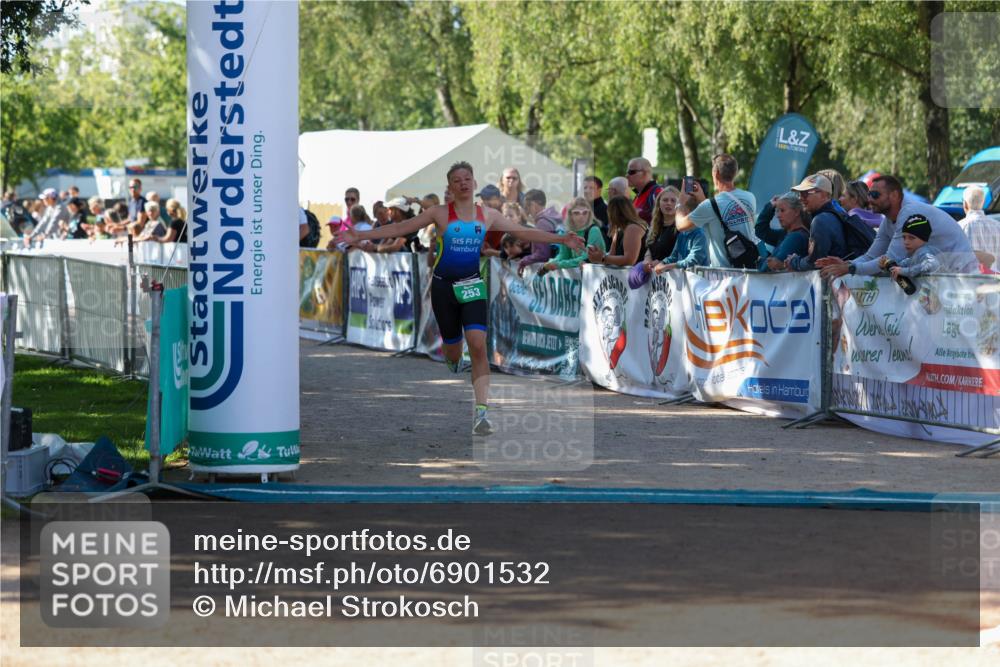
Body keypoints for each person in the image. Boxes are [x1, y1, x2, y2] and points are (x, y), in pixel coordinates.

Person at [336, 161, 583, 435]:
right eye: (457, 180)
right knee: (453, 351)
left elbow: (522, 232)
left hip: (472, 285)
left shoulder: (486, 214)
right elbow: (399, 228)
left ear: (474, 183)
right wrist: (359, 234)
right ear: (451, 187)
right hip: (444, 289)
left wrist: (562, 240)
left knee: (478, 345)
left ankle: (481, 413)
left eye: (468, 178)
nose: (464, 182)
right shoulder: (440, 214)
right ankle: (452, 356)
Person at [817, 174, 979, 277]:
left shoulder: (909, 213)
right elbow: (871, 256)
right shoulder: (889, 220)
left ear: (894, 195)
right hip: (945, 276)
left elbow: (890, 260)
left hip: (962, 278)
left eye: (875, 195)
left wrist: (850, 268)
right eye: (869, 195)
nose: (869, 200)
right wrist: (846, 265)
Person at [680, 153, 759, 268]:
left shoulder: (709, 206)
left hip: (723, 276)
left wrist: (680, 202)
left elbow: (681, 225)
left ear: (715, 173)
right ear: (735, 173)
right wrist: (702, 199)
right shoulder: (750, 197)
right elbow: (717, 214)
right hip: (748, 270)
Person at [786, 173, 848, 271]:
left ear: (824, 195)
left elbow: (815, 262)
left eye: (806, 193)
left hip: (833, 283)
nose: (800, 198)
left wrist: (794, 262)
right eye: (800, 194)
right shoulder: (836, 215)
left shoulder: (821, 220)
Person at [541, 197, 606, 273]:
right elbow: (563, 255)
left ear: (589, 214)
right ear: (570, 215)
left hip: (594, 276)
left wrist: (558, 265)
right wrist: (550, 263)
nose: (581, 216)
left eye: (585, 213)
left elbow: (587, 258)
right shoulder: (568, 232)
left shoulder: (594, 230)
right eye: (576, 213)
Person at [644, 197, 707, 274]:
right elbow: (674, 256)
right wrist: (662, 263)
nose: (676, 215)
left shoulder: (700, 234)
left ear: (688, 213)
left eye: (679, 211)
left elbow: (693, 261)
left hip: (700, 281)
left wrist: (667, 266)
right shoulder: (682, 234)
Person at [587, 195, 647, 267]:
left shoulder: (633, 228)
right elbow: (612, 255)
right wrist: (595, 255)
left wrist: (602, 258)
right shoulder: (618, 229)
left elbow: (629, 260)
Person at [757, 192, 810, 272]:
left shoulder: (796, 237)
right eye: (777, 211)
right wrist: (770, 206)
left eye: (782, 210)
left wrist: (762, 262)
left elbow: (769, 268)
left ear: (796, 212)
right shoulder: (785, 234)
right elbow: (760, 231)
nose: (778, 215)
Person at [517, 189, 564, 274]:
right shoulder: (553, 218)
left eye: (527, 207)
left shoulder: (542, 223)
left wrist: (524, 260)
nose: (527, 213)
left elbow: (542, 254)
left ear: (533, 205)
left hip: (553, 271)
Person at [884, 214, 940, 280]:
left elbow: (932, 264)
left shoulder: (925, 251)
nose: (906, 242)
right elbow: (902, 265)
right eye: (904, 237)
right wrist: (887, 265)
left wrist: (903, 271)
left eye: (911, 238)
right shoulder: (915, 255)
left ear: (924, 238)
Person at [957, 185, 1000, 272]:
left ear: (965, 204)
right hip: (995, 282)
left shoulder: (959, 227)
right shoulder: (998, 226)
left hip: (970, 282)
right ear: (983, 203)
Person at [645, 186, 680, 262]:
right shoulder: (655, 226)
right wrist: (647, 261)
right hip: (653, 272)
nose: (669, 203)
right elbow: (649, 249)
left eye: (673, 200)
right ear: (658, 203)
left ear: (679, 204)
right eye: (665, 200)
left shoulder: (682, 228)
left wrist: (662, 263)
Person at [626, 157, 662, 224]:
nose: (627, 175)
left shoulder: (657, 192)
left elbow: (664, 218)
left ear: (645, 173)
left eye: (631, 172)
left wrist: (639, 213)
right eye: (627, 172)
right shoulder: (639, 194)